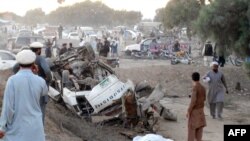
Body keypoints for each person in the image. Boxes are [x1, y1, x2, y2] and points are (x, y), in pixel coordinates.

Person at [0, 50, 48, 141]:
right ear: (33, 63)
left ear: (18, 63)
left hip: (17, 128)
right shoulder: (40, 81)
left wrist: (2, 127)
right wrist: (36, 74)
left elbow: (8, 107)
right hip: (36, 128)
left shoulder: (12, 81)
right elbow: (44, 92)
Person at [187, 72, 206, 141]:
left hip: (195, 111)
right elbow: (204, 99)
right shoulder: (203, 88)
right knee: (199, 130)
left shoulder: (195, 88)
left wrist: (189, 111)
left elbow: (193, 101)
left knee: (191, 130)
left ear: (192, 78)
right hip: (201, 111)